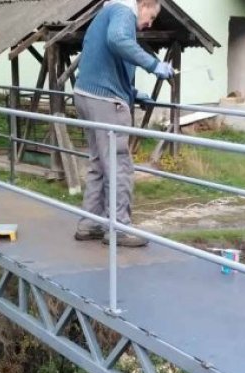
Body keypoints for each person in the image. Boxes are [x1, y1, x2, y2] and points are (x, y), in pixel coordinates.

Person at [73, 0, 174, 247]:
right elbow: (117, 41)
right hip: (106, 101)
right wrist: (154, 65)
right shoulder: (124, 12)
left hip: (86, 95)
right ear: (144, 4)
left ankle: (90, 223)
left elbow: (106, 63)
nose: (148, 25)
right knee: (119, 166)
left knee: (99, 163)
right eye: (151, 17)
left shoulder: (107, 12)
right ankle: (118, 228)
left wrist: (133, 93)